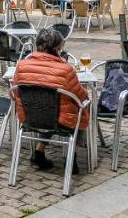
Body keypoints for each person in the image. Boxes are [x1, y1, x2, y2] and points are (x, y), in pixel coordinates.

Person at [12, 27, 89, 172]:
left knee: (45, 106)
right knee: (80, 109)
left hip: (30, 117)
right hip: (59, 121)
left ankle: (39, 151)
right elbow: (82, 97)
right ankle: (72, 156)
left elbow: (14, 91)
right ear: (58, 48)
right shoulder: (66, 70)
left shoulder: (21, 65)